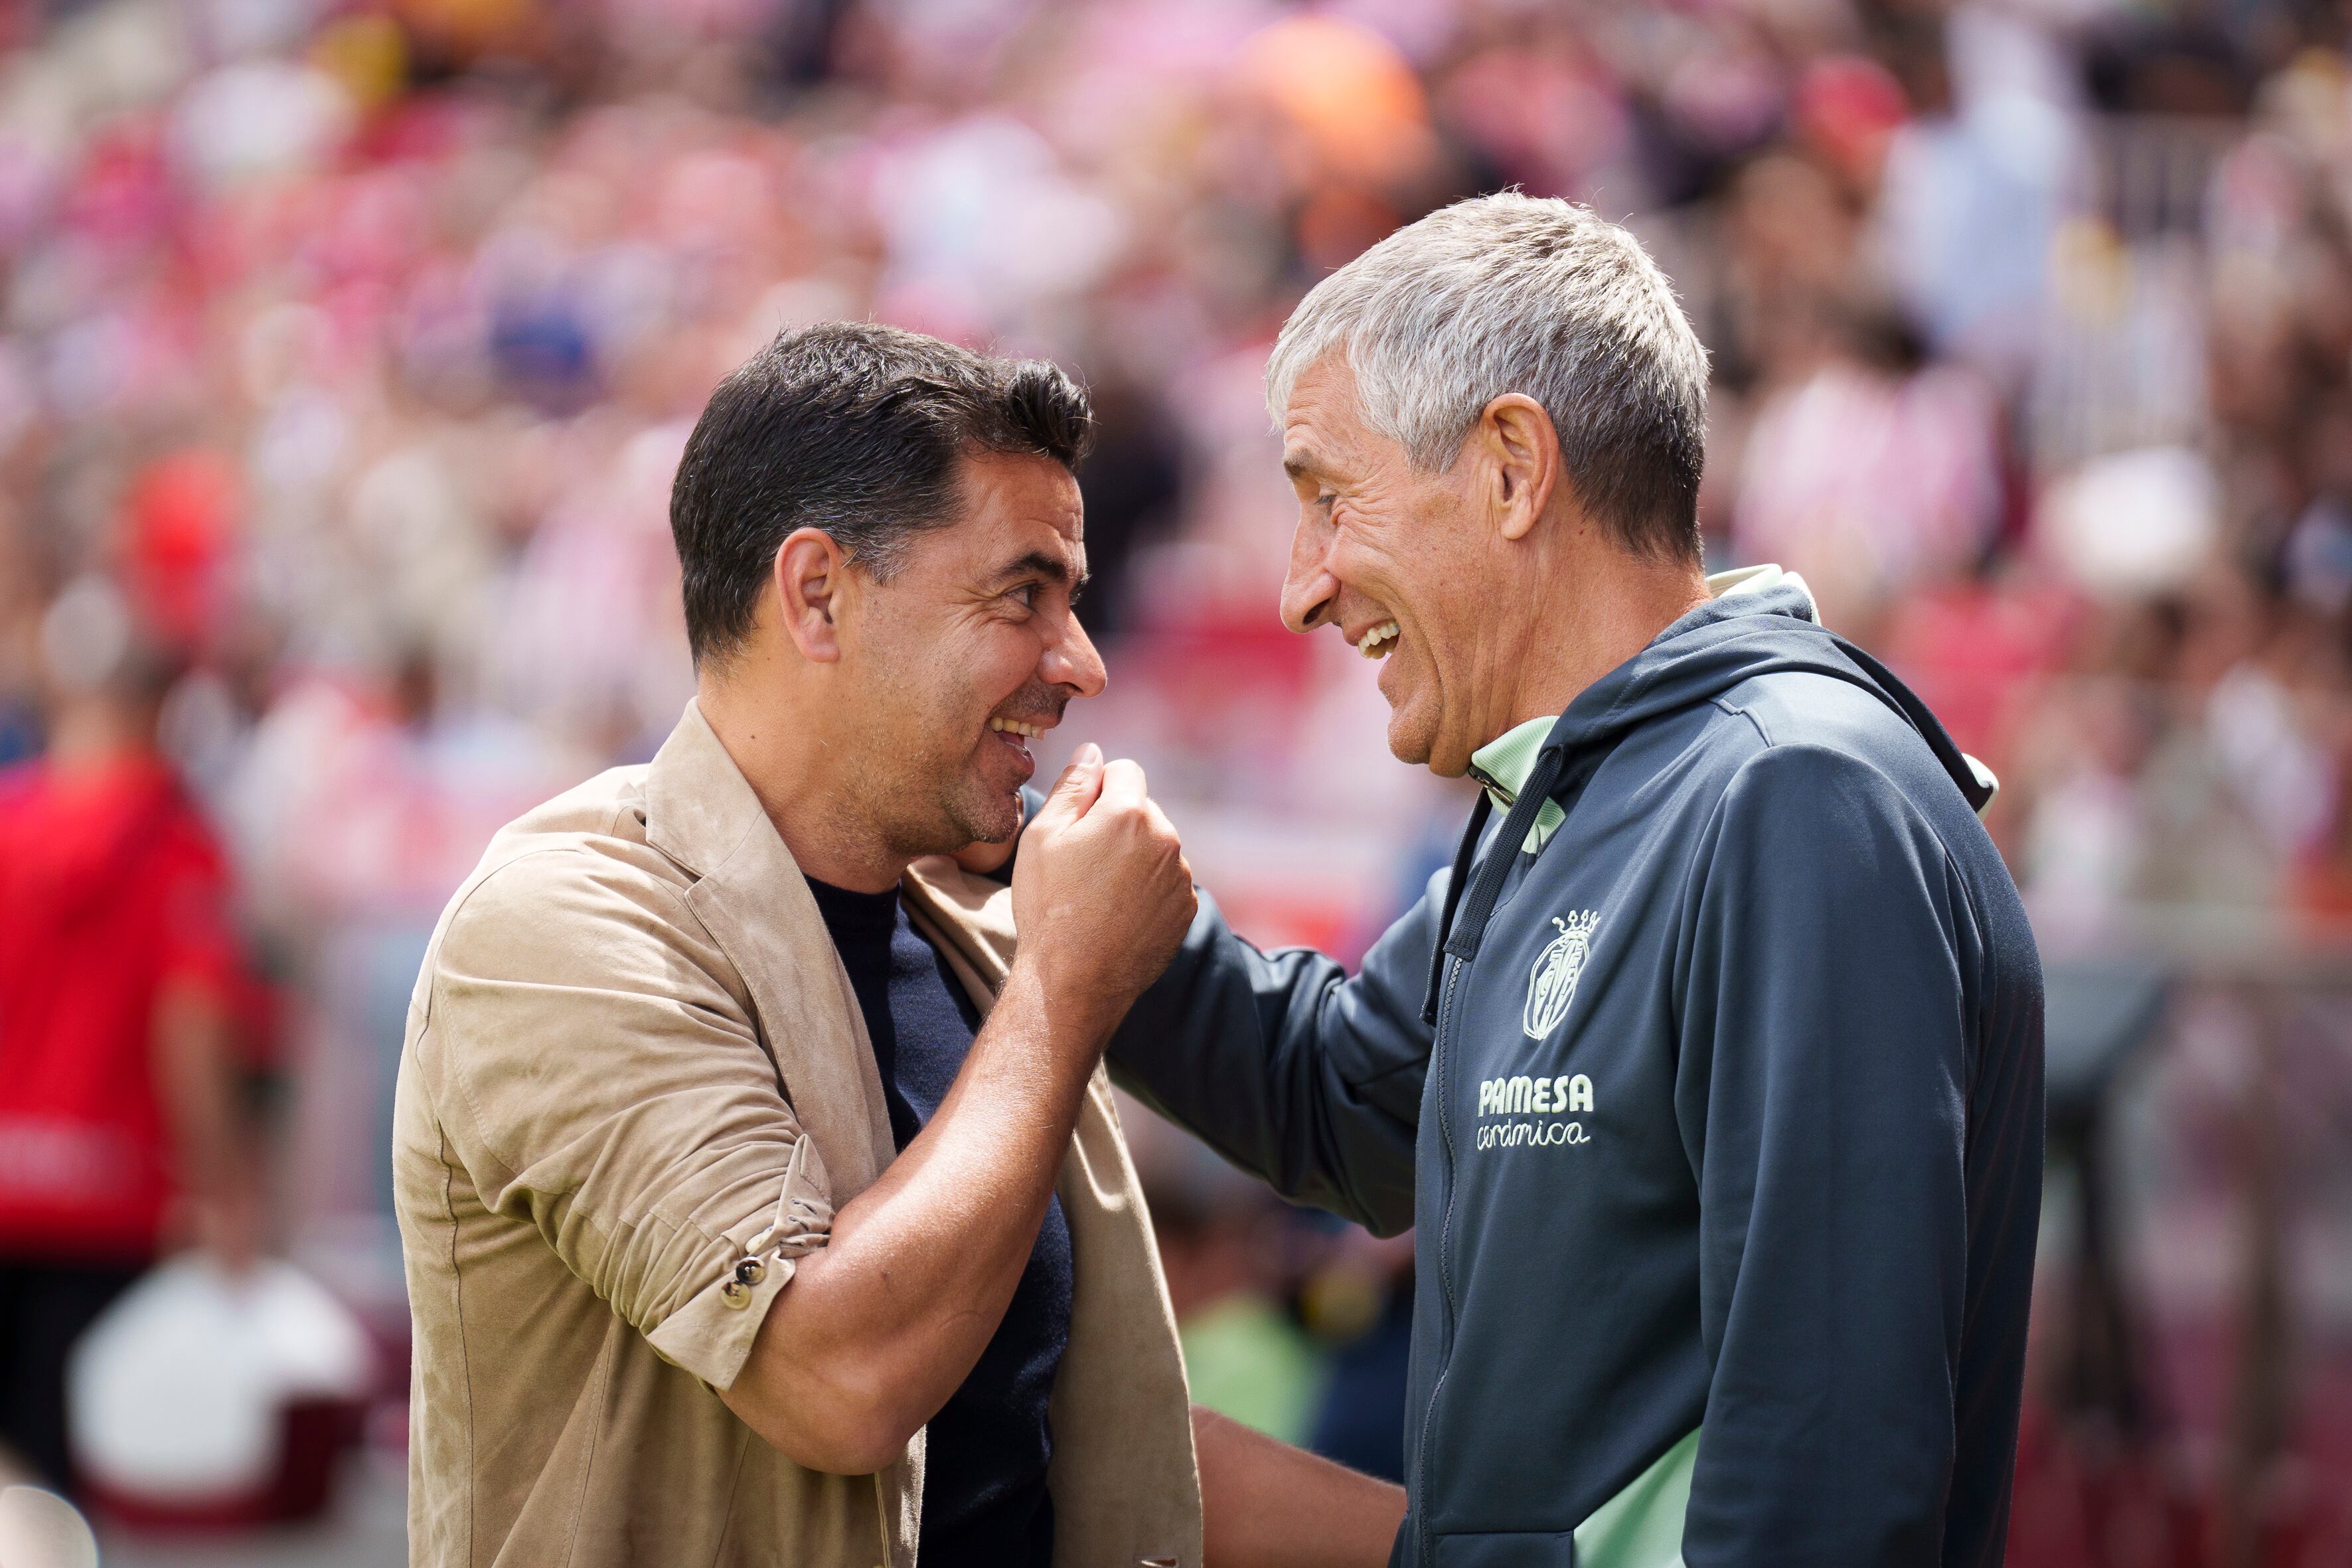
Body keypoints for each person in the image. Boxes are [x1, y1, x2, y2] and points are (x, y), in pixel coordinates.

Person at [1107, 194, 2046, 1567]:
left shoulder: (1790, 794)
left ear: (1507, 468)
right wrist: (1020, 862)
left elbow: (1825, 1478)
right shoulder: (1576, 796)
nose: (1303, 582)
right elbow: (1346, 1097)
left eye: (1326, 496)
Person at [392, 321, 1405, 1567]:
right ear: (817, 592)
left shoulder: (976, 926)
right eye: (1022, 594)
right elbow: (839, 1379)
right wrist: (1064, 988)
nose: (1078, 661)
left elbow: (1068, 1450)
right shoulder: (559, 924)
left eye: (1073, 602)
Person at [0, 584, 261, 1493]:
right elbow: (191, 1025)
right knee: (70, 1489)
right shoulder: (175, 843)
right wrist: (225, 1188)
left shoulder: (8, 822)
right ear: (160, 702)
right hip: (107, 1206)